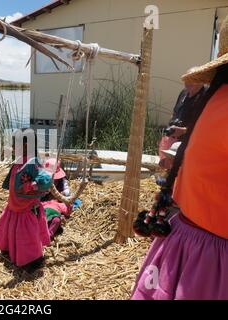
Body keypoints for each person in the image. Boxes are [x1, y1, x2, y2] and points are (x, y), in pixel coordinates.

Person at [131, 15, 228, 300]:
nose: (187, 89)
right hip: (209, 252)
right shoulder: (204, 99)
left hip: (189, 237)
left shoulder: (214, 97)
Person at [0, 129, 51, 270]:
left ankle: (31, 260)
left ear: (25, 146)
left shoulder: (33, 161)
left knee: (26, 235)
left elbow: (46, 179)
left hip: (26, 207)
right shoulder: (20, 160)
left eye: (15, 143)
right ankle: (9, 249)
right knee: (12, 226)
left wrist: (32, 185)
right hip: (14, 205)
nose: (13, 147)